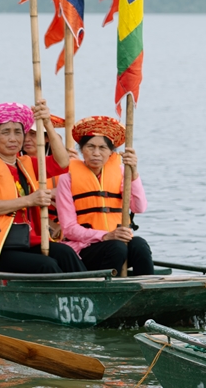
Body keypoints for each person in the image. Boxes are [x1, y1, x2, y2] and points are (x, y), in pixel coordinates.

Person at [0, 103, 85, 274]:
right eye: (5, 132)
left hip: (27, 241)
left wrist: (47, 123)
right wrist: (30, 199)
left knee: (66, 253)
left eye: (18, 132)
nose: (13, 138)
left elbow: (63, 162)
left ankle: (86, 292)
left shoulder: (25, 163)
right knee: (46, 265)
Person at [55, 115, 151, 275]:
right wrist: (106, 235)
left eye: (103, 148)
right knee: (117, 247)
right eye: (90, 147)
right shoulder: (67, 179)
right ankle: (105, 291)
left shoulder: (122, 173)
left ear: (111, 152)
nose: (96, 153)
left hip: (117, 242)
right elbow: (69, 229)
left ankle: (149, 293)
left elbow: (139, 207)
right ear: (81, 149)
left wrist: (134, 173)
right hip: (84, 248)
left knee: (140, 245)